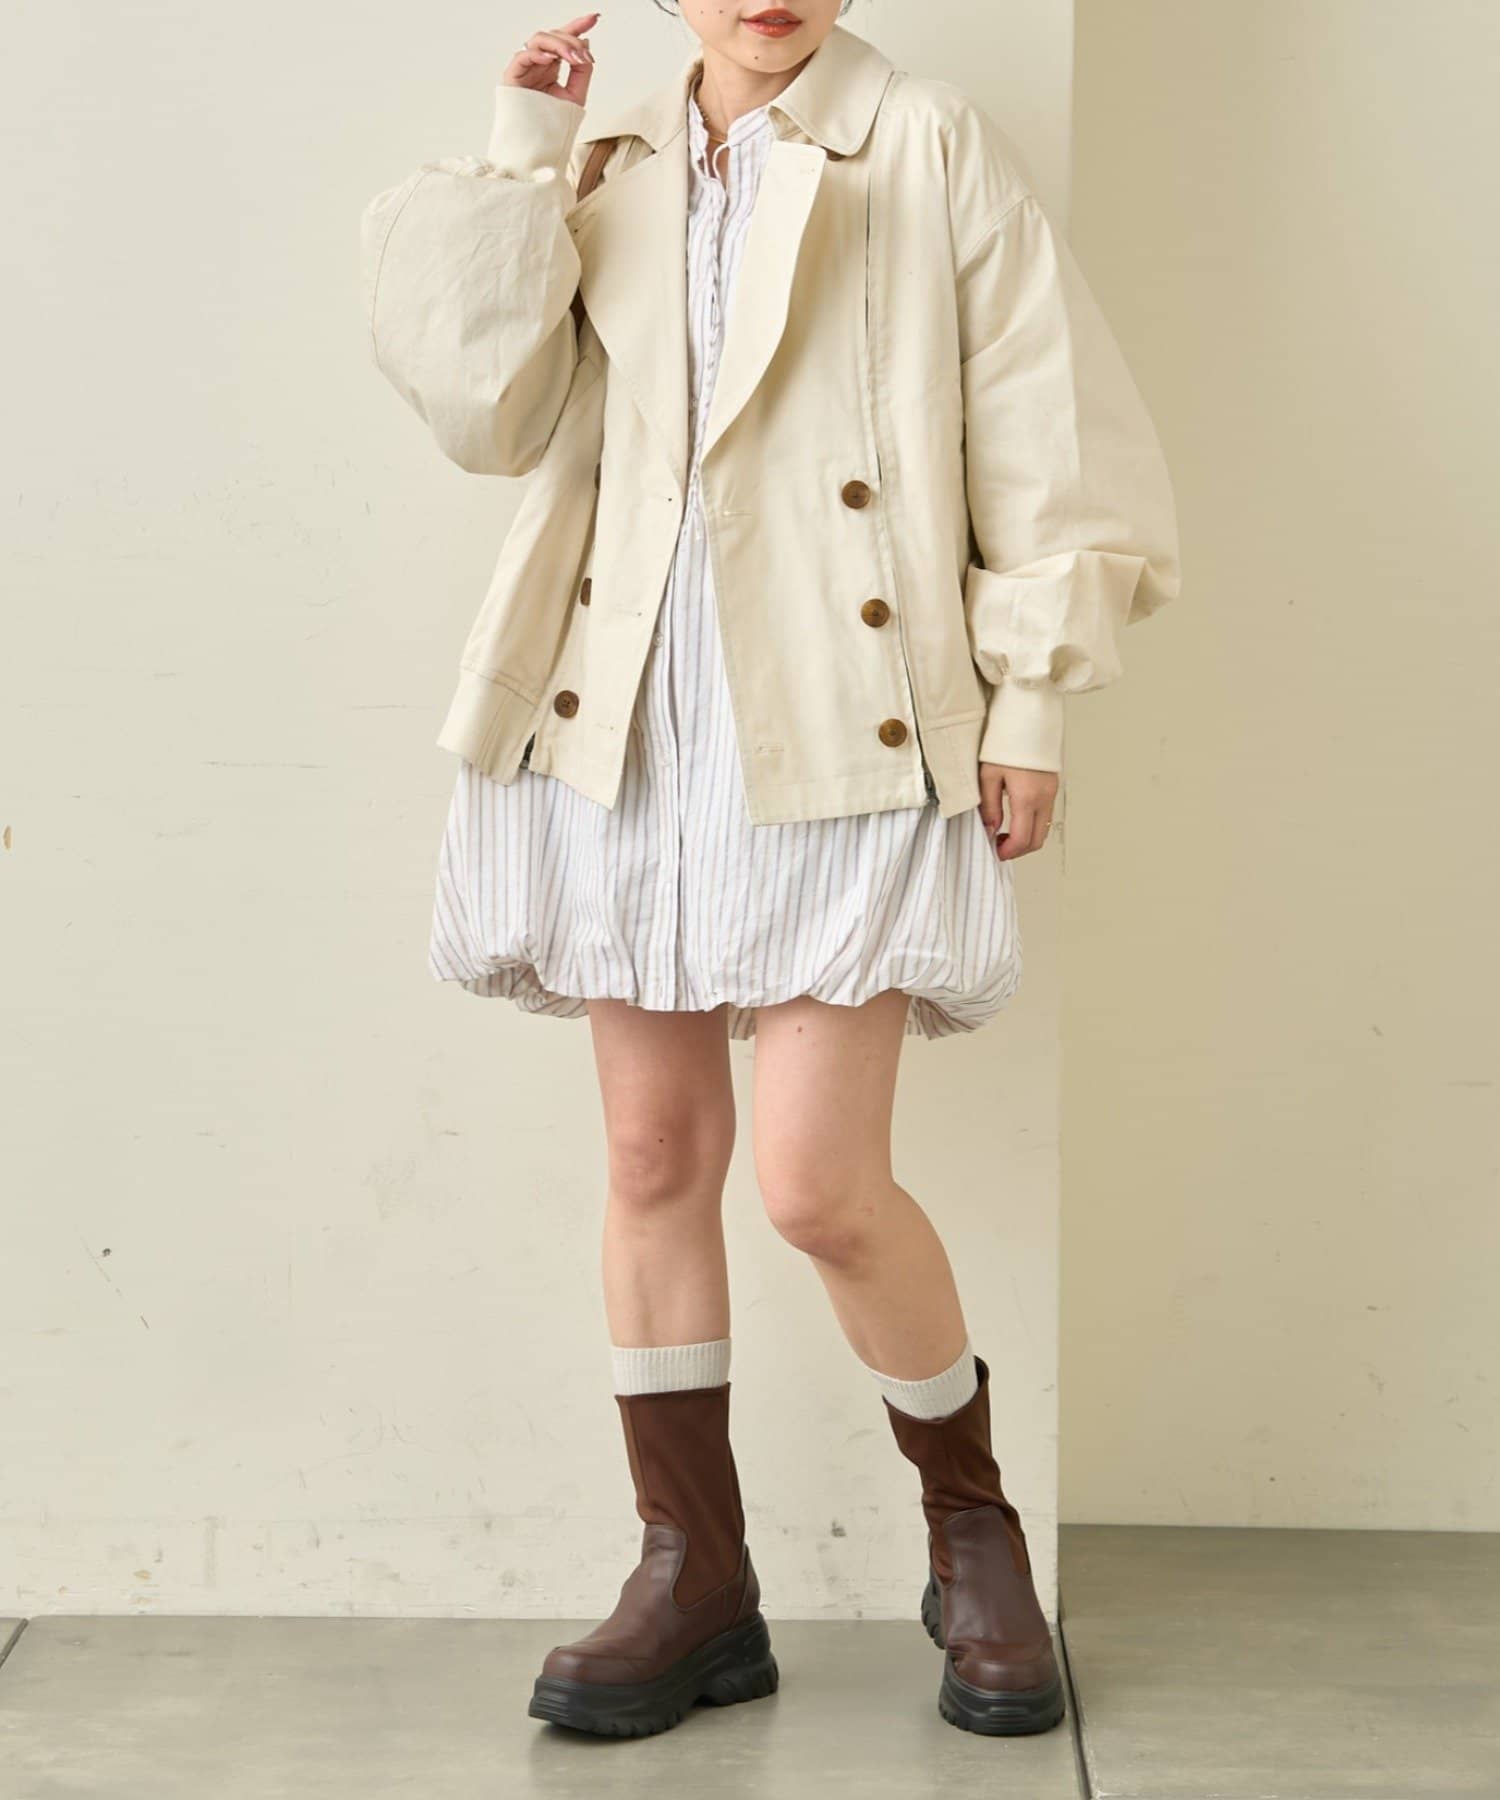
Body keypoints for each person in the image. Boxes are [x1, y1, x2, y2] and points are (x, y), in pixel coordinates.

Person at [360, 0, 1178, 1741]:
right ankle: (694, 1576)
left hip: (840, 713)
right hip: (622, 709)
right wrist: (521, 158)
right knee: (654, 1157)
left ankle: (974, 1537)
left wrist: (1031, 700)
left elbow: (1044, 423)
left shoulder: (927, 141)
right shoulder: (611, 165)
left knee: (818, 1185)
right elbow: (488, 417)